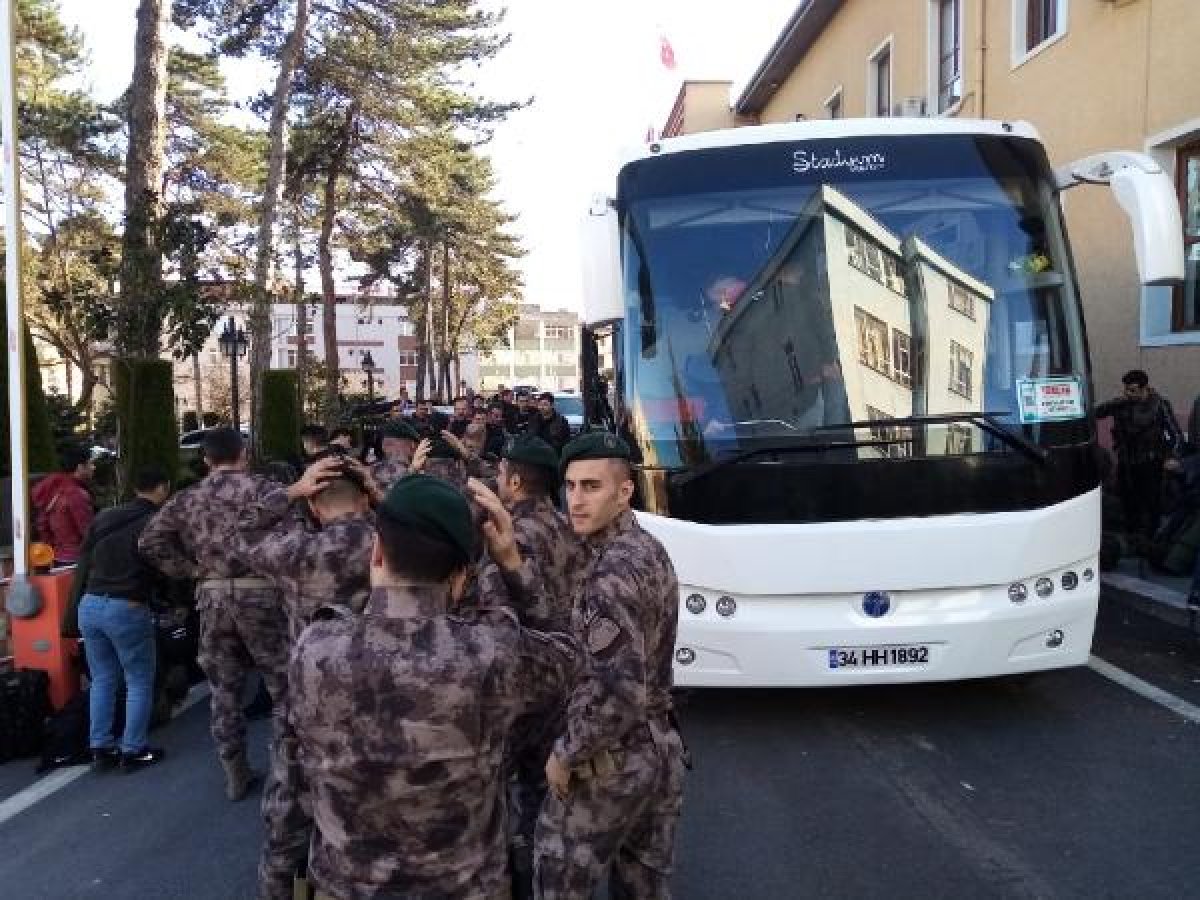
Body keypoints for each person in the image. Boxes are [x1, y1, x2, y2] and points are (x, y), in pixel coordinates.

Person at [264, 474, 579, 899]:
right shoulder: (493, 651)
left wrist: (280, 879)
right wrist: (513, 564)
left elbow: (292, 782)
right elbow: (571, 657)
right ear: (462, 577)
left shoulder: (315, 649)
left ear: (377, 553)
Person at [534, 432, 687, 899]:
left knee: (557, 878)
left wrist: (566, 754)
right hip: (661, 753)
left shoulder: (609, 576)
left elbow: (619, 693)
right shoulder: (647, 548)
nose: (575, 501)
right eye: (571, 486)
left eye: (591, 487)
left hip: (611, 763)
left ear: (624, 492)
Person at [139, 428, 290, 802]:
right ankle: (290, 766)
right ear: (245, 453)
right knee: (283, 683)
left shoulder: (185, 499)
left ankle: (234, 771)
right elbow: (293, 538)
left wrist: (190, 570)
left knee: (224, 688)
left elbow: (149, 542)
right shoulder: (266, 491)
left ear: (206, 460)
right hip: (261, 594)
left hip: (212, 595)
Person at [469, 437, 583, 898]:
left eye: (501, 475)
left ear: (514, 481)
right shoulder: (566, 526)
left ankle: (516, 877)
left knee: (498, 794)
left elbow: (495, 615)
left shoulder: (506, 536)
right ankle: (543, 870)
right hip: (564, 676)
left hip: (520, 681)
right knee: (547, 793)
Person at [71, 465, 172, 773]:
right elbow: (163, 566)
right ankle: (133, 749)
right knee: (139, 679)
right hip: (126, 607)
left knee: (102, 679)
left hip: (89, 604)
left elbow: (84, 561)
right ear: (163, 487)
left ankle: (100, 747)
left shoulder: (104, 517)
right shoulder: (155, 522)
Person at [1095, 369, 1184, 540]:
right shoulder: (1121, 404)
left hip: (1151, 461)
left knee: (1152, 504)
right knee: (1129, 503)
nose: (1129, 394)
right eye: (1127, 389)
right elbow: (1097, 413)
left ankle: (1150, 539)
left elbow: (1176, 434)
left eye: (1133, 390)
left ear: (1145, 388)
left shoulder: (1159, 405)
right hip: (1127, 462)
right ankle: (1132, 539)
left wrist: (1171, 457)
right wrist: (1116, 403)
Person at [32, 446, 96, 565]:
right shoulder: (76, 494)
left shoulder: (54, 488)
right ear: (80, 467)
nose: (94, 468)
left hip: (56, 555)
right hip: (76, 559)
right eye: (91, 463)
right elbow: (88, 532)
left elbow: (43, 524)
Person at [372, 420, 425, 491]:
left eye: (389, 444)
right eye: (386, 444)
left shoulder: (425, 469)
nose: (384, 448)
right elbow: (391, 495)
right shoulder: (379, 470)